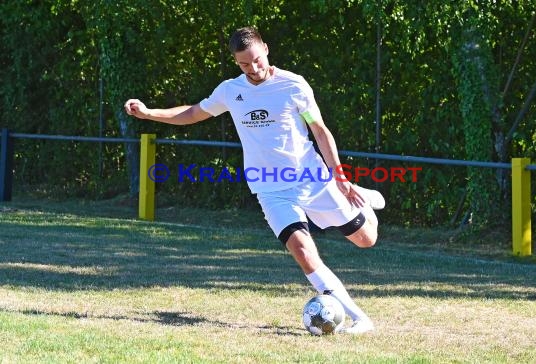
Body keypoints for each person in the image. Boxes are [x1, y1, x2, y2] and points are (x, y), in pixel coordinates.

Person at [124, 26, 385, 334]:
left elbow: (320, 131)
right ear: (236, 62)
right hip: (269, 188)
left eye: (257, 60)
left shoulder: (294, 85)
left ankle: (365, 201)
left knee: (366, 240)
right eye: (244, 64)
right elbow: (193, 113)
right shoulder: (230, 91)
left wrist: (339, 177)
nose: (253, 68)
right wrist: (150, 113)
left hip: (312, 179)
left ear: (266, 50)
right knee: (302, 251)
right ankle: (358, 318)